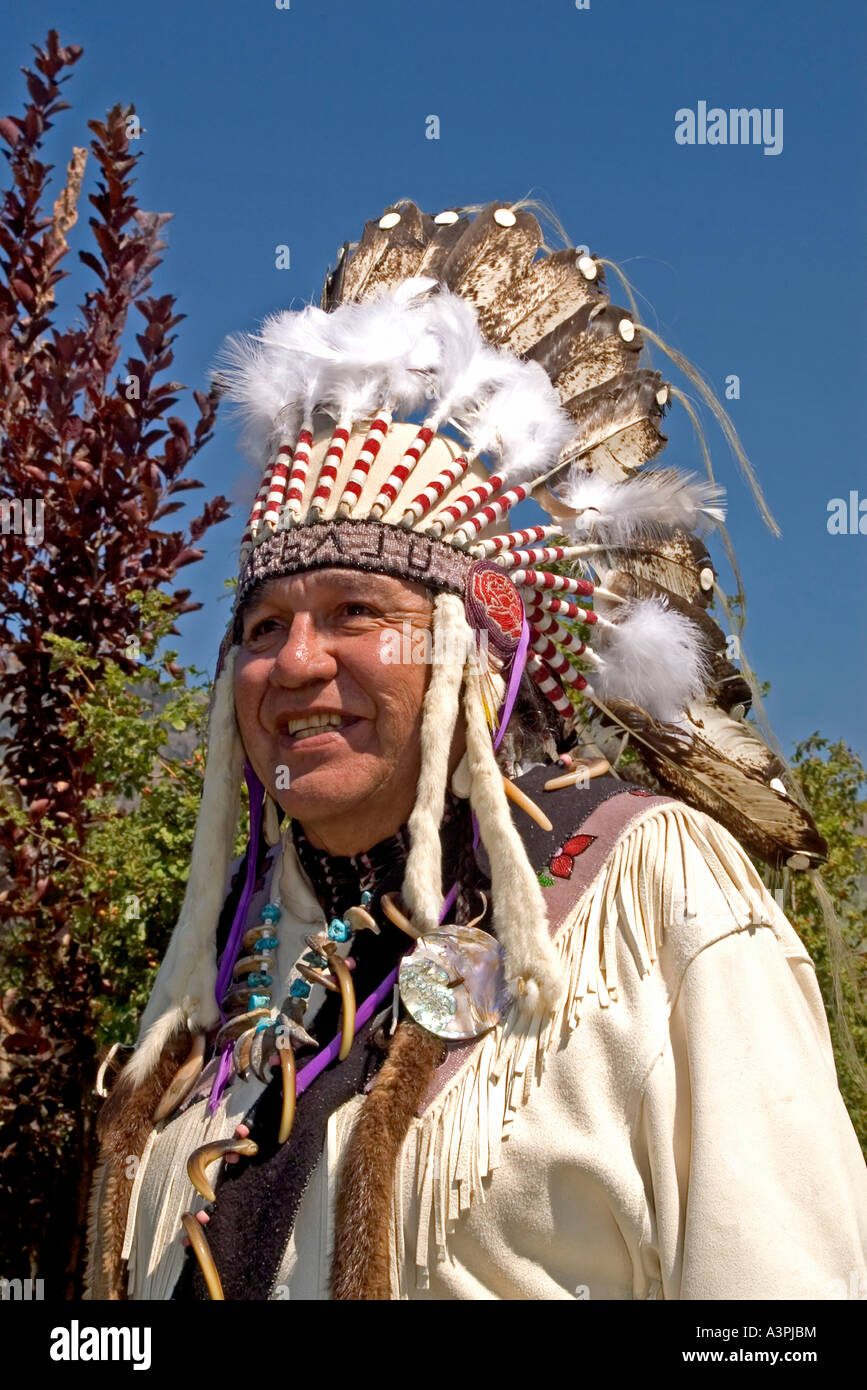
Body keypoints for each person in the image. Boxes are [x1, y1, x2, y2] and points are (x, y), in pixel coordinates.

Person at [85, 199, 867, 1301]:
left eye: (354, 610)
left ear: (481, 655)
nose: (295, 662)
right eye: (262, 628)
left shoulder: (647, 892)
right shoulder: (229, 982)